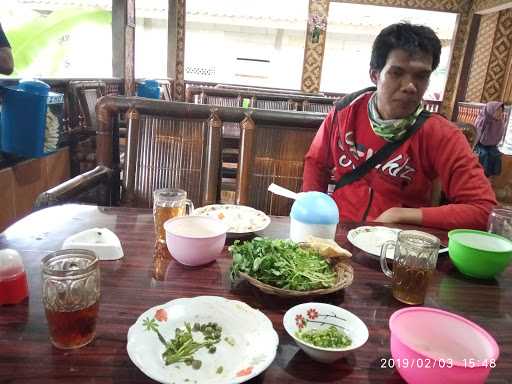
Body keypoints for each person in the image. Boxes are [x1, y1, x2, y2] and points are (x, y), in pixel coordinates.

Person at [302, 22, 496, 231]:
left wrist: (404, 215)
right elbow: (316, 163)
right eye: (397, 73)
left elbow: (484, 211)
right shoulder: (343, 113)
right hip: (338, 232)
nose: (410, 86)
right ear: (375, 74)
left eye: (421, 76)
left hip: (398, 245)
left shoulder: (442, 135)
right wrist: (312, 217)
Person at [474, 101, 505, 177]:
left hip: (492, 145)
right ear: (491, 110)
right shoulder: (483, 119)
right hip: (480, 144)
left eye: (501, 111)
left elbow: (499, 135)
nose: (500, 113)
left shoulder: (499, 122)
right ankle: (481, 175)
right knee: (484, 155)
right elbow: (477, 134)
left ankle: (491, 175)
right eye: (497, 111)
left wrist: (493, 143)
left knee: (496, 155)